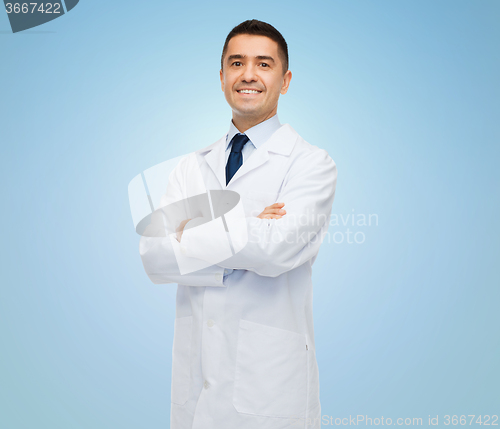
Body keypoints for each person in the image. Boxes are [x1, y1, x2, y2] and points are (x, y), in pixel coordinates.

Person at [139, 19, 337, 429]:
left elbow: (278, 248)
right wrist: (249, 224)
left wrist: (191, 235)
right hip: (196, 391)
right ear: (223, 77)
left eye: (263, 64)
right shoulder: (190, 166)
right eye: (236, 63)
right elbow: (155, 257)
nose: (248, 75)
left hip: (270, 389)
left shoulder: (311, 164)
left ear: (285, 80)